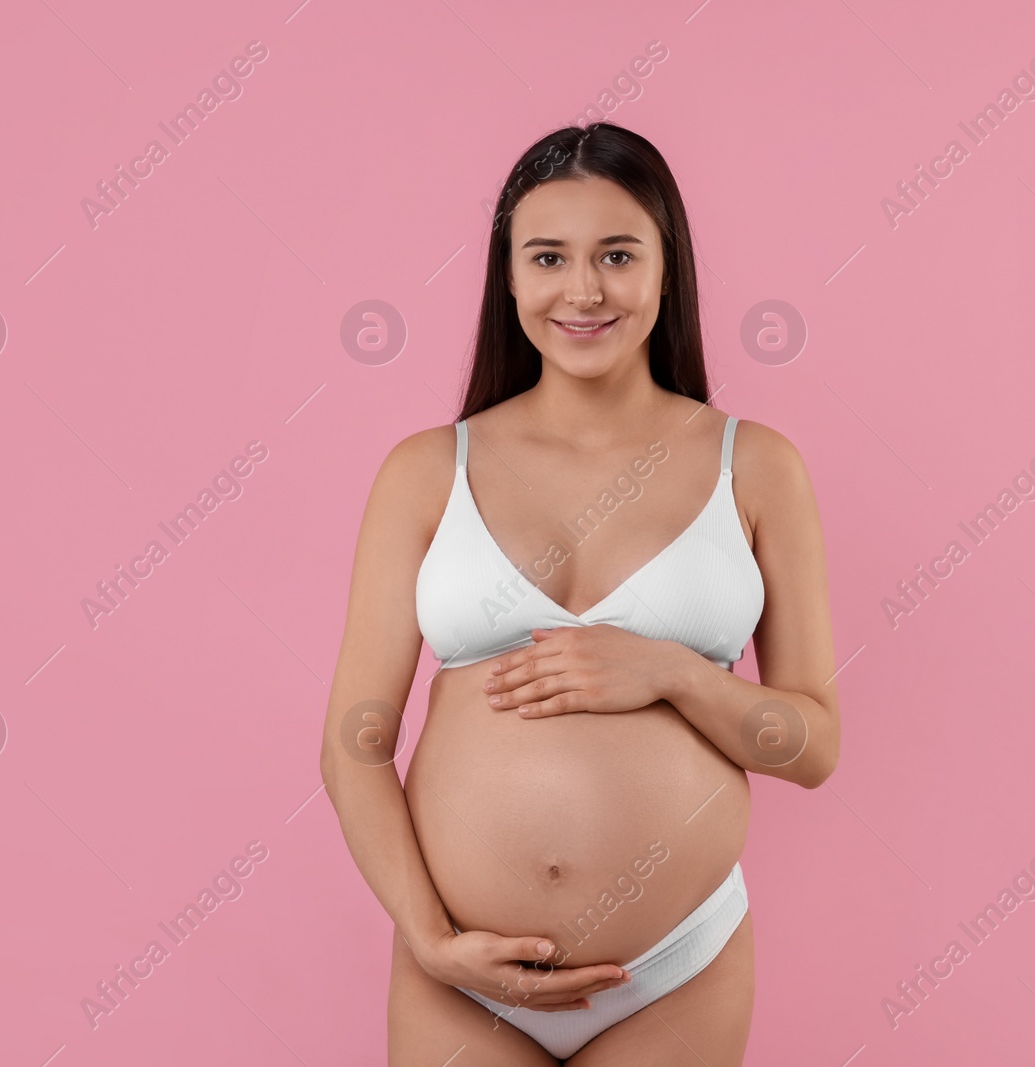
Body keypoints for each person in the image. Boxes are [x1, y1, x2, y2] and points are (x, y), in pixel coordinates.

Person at [320, 122, 840, 1066]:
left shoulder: (756, 468)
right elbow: (354, 745)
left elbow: (811, 748)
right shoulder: (426, 471)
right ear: (509, 277)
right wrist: (430, 937)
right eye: (549, 256)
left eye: (617, 254)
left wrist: (673, 673)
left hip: (673, 970)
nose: (584, 289)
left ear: (666, 269)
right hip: (463, 979)